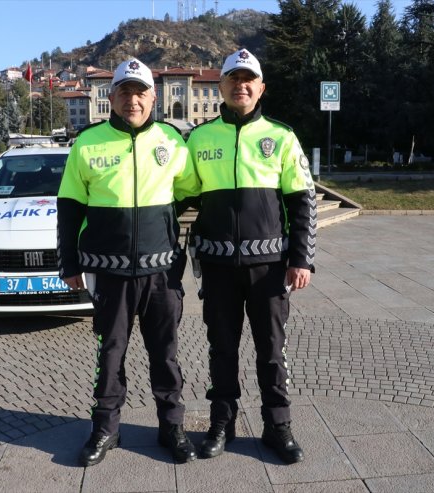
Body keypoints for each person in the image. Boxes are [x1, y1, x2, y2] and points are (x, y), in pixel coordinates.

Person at [57, 58, 201, 467]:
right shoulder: (88, 143)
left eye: (140, 92)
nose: (132, 99)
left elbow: (190, 191)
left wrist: (164, 222)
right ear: (112, 96)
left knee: (166, 354)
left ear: (153, 97)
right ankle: (105, 429)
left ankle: (171, 426)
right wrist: (69, 263)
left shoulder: (172, 141)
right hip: (110, 272)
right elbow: (68, 207)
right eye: (124, 91)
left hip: (162, 272)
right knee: (110, 354)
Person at [186, 48, 316, 464]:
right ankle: (221, 423)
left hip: (270, 268)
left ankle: (278, 426)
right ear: (220, 86)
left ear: (261, 88)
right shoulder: (200, 137)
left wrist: (302, 258)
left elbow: (303, 202)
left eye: (248, 80)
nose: (240, 86)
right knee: (220, 349)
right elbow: (176, 195)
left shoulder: (281, 136)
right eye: (232, 80)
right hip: (219, 267)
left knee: (271, 352)